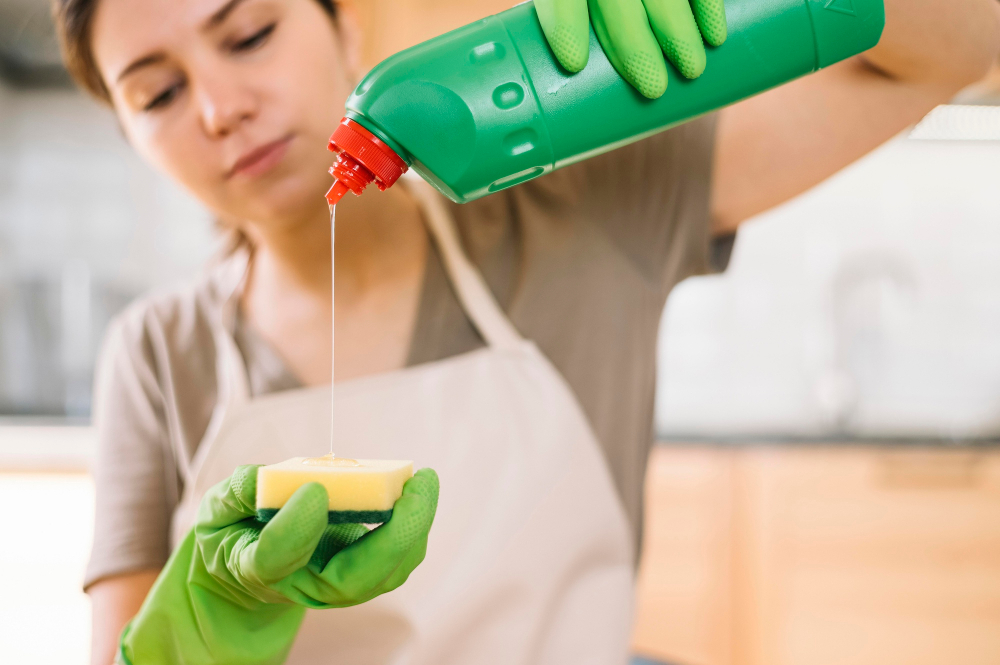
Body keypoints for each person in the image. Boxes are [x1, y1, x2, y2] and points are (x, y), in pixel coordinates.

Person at [51, 0, 998, 662]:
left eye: (249, 33)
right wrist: (205, 622)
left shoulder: (590, 208)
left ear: (345, 28)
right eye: (158, 93)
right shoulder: (155, 354)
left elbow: (962, 45)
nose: (221, 108)